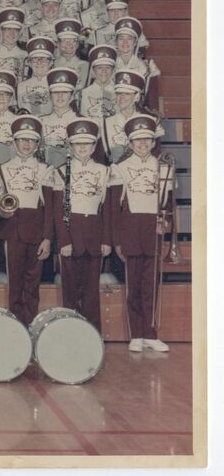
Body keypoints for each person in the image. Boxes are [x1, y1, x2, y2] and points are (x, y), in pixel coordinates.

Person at [108, 114, 171, 352]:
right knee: (133, 284)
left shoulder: (163, 166)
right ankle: (136, 334)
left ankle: (151, 333)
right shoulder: (120, 168)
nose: (143, 144)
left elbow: (168, 203)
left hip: (153, 230)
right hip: (131, 230)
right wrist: (117, 241)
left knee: (151, 285)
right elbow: (114, 207)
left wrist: (164, 224)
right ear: (131, 143)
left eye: (147, 140)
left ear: (153, 142)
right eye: (138, 140)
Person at [0, 115, 53, 326]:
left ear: (37, 143)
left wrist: (47, 238)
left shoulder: (46, 169)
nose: (26, 144)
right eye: (22, 140)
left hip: (36, 231)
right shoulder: (1, 169)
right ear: (14, 142)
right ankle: (16, 325)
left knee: (32, 283)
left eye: (31, 140)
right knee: (15, 283)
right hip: (13, 231)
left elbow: (50, 208)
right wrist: (2, 211)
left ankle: (31, 324)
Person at [51, 118, 111, 331]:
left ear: (94, 146)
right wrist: (64, 241)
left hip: (94, 235)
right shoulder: (60, 171)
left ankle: (93, 333)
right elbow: (58, 211)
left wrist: (106, 240)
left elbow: (106, 209)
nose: (82, 148)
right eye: (78, 143)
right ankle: (71, 331)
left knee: (91, 290)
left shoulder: (104, 171)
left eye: (87, 143)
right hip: (71, 235)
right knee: (70, 289)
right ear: (70, 145)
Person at [102, 70, 164, 164]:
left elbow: (156, 152)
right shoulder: (106, 122)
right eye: (119, 93)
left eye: (127, 94)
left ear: (137, 97)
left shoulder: (150, 120)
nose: (121, 97)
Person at [40, 67, 80, 167]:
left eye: (65, 92)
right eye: (56, 92)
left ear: (72, 96)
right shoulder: (41, 121)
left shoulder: (81, 121)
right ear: (50, 96)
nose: (60, 96)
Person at [17, 36, 55, 116]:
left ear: (51, 62)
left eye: (44, 59)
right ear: (29, 63)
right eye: (35, 59)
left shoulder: (56, 85)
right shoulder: (21, 86)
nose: (39, 62)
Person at [79, 45, 118, 121]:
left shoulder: (118, 91)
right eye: (100, 67)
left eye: (108, 67)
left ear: (113, 71)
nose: (104, 71)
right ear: (93, 71)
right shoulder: (85, 93)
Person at [54, 18, 89, 88]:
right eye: (64, 40)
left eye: (72, 40)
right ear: (58, 44)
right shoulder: (51, 65)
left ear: (77, 44)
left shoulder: (87, 66)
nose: (69, 43)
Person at [0, 7, 28, 76]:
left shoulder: (25, 55)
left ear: (20, 32)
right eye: (8, 29)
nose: (12, 33)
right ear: (1, 31)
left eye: (16, 30)